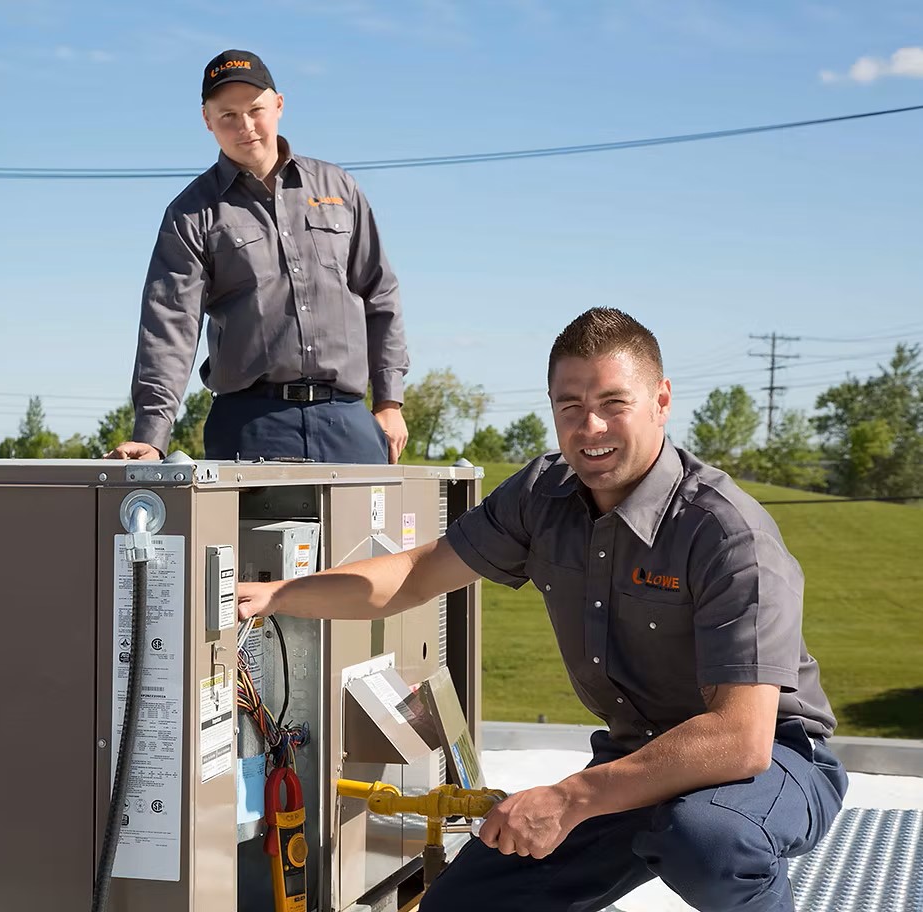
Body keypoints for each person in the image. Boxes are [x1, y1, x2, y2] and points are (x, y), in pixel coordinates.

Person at [236, 307, 847, 912]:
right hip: (635, 762)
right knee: (464, 905)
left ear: (661, 400)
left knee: (707, 842)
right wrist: (279, 595)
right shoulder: (543, 497)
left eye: (614, 403)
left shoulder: (726, 533)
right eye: (570, 407)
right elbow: (418, 573)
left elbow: (742, 739)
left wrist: (572, 797)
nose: (591, 428)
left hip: (770, 764)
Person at [107, 49, 408, 465]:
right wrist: (152, 435)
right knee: (252, 534)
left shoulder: (339, 189)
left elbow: (380, 295)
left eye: (255, 110)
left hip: (349, 424)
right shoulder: (191, 213)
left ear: (279, 105)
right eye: (227, 115)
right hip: (250, 427)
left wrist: (389, 401)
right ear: (207, 120)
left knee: (369, 533)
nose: (245, 126)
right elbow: (169, 326)